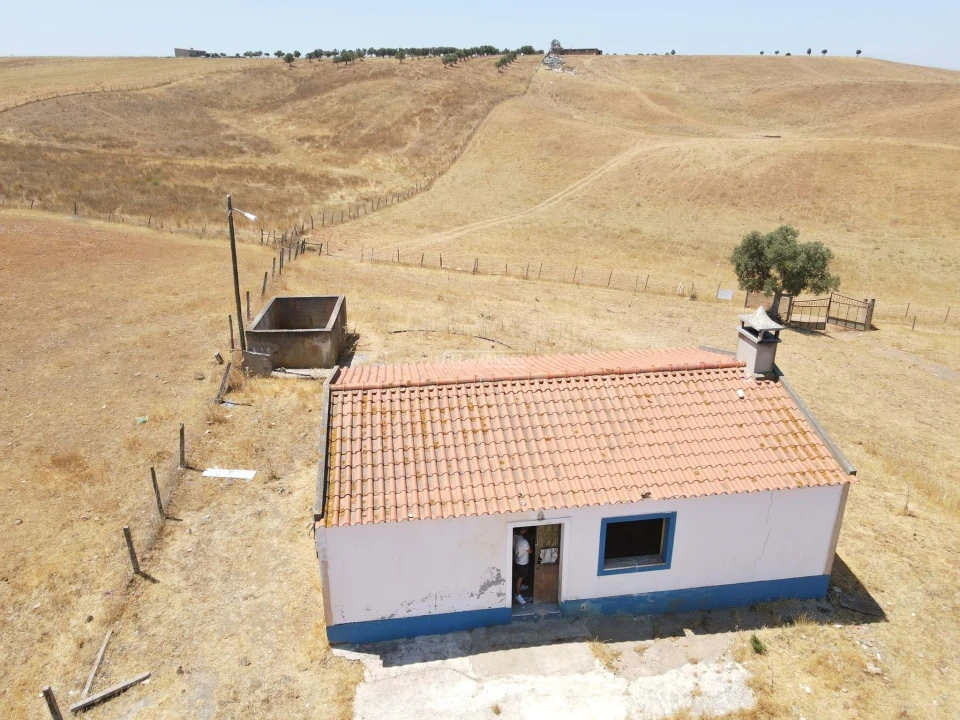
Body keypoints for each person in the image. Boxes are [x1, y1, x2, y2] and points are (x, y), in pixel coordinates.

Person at [513, 528, 532, 605]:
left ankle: (520, 587)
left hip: (517, 560)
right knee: (520, 578)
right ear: (523, 531)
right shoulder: (524, 541)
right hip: (523, 562)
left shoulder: (515, 536)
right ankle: (517, 594)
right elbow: (530, 551)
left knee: (519, 577)